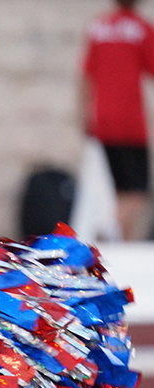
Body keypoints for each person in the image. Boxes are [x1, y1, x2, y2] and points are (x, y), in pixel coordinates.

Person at [79, 0, 154, 240]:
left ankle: (125, 242)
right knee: (137, 191)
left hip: (103, 120)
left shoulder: (99, 27)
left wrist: (84, 115)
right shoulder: (141, 29)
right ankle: (111, 228)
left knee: (121, 189)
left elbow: (85, 76)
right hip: (131, 121)